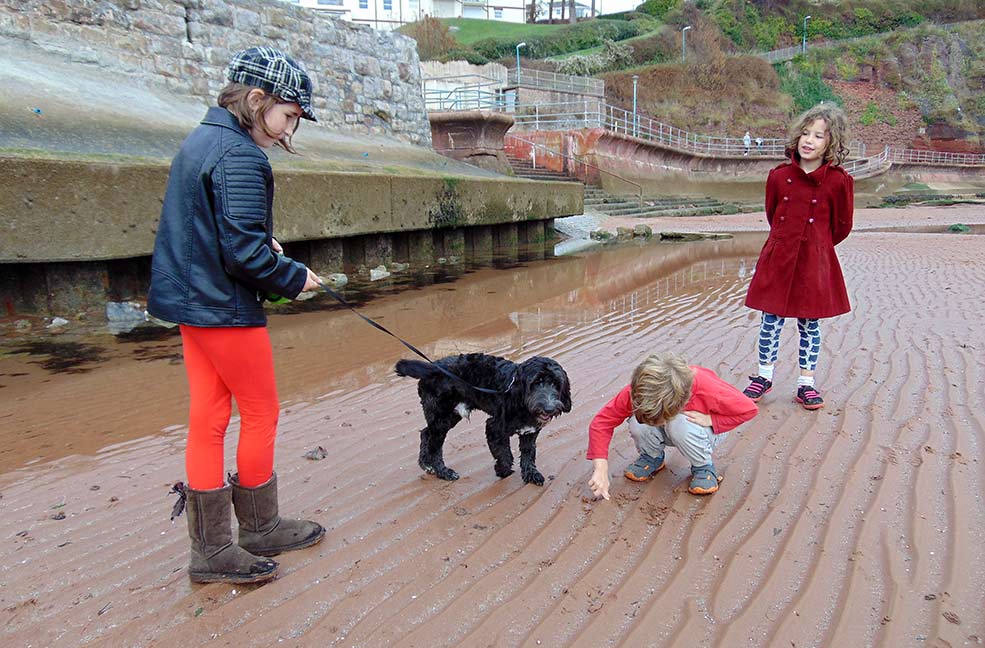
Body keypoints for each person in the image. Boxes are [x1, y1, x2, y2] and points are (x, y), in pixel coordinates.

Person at [148, 46, 326, 584]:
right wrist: (293, 277)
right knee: (261, 411)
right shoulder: (243, 156)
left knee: (208, 417)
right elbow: (243, 254)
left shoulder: (201, 140)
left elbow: (205, 225)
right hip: (224, 309)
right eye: (289, 115)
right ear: (257, 100)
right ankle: (259, 527)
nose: (290, 129)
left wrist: (259, 245)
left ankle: (211, 551)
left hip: (189, 304)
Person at [741, 103, 854, 411]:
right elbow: (772, 213)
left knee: (809, 324)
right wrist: (785, 241)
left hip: (813, 262)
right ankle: (763, 377)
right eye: (805, 133)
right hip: (779, 257)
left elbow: (842, 226)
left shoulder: (839, 181)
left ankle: (806, 383)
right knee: (770, 321)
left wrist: (816, 245)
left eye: (819, 136)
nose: (809, 140)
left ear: (832, 142)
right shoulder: (778, 176)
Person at [587, 353, 758, 499]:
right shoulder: (641, 390)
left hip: (704, 429)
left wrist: (712, 420)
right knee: (638, 423)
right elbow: (602, 422)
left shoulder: (707, 388)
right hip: (675, 423)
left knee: (679, 423)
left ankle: (703, 466)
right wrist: (601, 468)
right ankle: (652, 457)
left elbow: (749, 410)